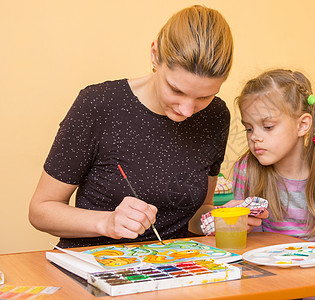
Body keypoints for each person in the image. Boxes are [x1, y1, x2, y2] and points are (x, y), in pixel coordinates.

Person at [28, 5, 265, 249]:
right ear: (155, 54)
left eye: (204, 97)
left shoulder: (215, 115)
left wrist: (217, 219)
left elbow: (195, 216)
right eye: (176, 90)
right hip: (94, 266)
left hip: (174, 266)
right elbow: (41, 210)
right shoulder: (99, 104)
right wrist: (107, 222)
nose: (187, 110)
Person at [233, 69, 315, 299]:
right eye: (249, 128)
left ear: (302, 125)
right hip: (271, 288)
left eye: (268, 126)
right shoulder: (247, 170)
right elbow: (249, 251)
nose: (254, 137)